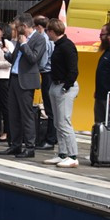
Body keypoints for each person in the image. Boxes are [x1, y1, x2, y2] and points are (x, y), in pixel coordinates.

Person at [0, 14, 47, 158]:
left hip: (26, 82)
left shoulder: (39, 39)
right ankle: (15, 145)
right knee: (13, 113)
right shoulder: (20, 39)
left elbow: (33, 59)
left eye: (18, 26)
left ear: (24, 26)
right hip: (14, 78)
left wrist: (25, 44)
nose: (16, 29)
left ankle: (30, 147)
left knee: (26, 115)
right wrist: (7, 53)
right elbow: (15, 59)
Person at [43, 19, 80, 168]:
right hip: (57, 84)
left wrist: (66, 86)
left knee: (64, 122)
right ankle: (62, 153)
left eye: (47, 31)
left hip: (65, 86)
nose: (47, 34)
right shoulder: (59, 46)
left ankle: (72, 155)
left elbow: (73, 70)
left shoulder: (67, 46)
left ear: (52, 31)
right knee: (58, 122)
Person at [33, 15, 57, 150]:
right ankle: (53, 137)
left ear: (39, 27)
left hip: (47, 75)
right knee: (51, 108)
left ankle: (50, 139)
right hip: (50, 74)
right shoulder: (50, 41)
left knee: (50, 109)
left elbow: (43, 62)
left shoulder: (45, 41)